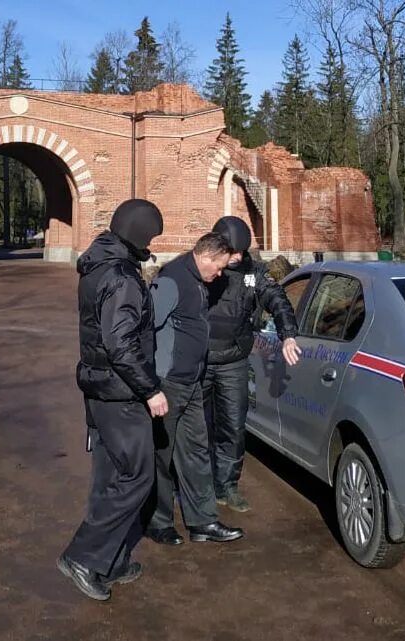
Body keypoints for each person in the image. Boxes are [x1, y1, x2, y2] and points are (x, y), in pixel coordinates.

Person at [58, 199, 169, 602]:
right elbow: (120, 343)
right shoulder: (121, 276)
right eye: (151, 236)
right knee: (138, 477)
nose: (152, 243)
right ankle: (84, 557)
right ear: (138, 232)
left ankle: (112, 559)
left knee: (110, 477)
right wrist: (150, 389)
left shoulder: (98, 264)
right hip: (121, 392)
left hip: (100, 387)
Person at [144, 232, 245, 546]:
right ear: (206, 256)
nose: (219, 274)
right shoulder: (172, 279)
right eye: (219, 267)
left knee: (197, 454)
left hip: (192, 382)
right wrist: (149, 386)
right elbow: (145, 328)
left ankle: (203, 521)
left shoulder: (200, 281)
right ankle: (158, 522)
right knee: (161, 456)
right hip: (168, 384)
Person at [204, 216, 301, 513]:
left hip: (233, 361)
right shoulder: (202, 267)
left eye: (241, 252)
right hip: (200, 361)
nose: (236, 258)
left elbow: (277, 299)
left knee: (233, 427)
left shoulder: (253, 272)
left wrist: (287, 335)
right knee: (198, 428)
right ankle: (197, 486)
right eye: (232, 252)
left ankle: (227, 487)